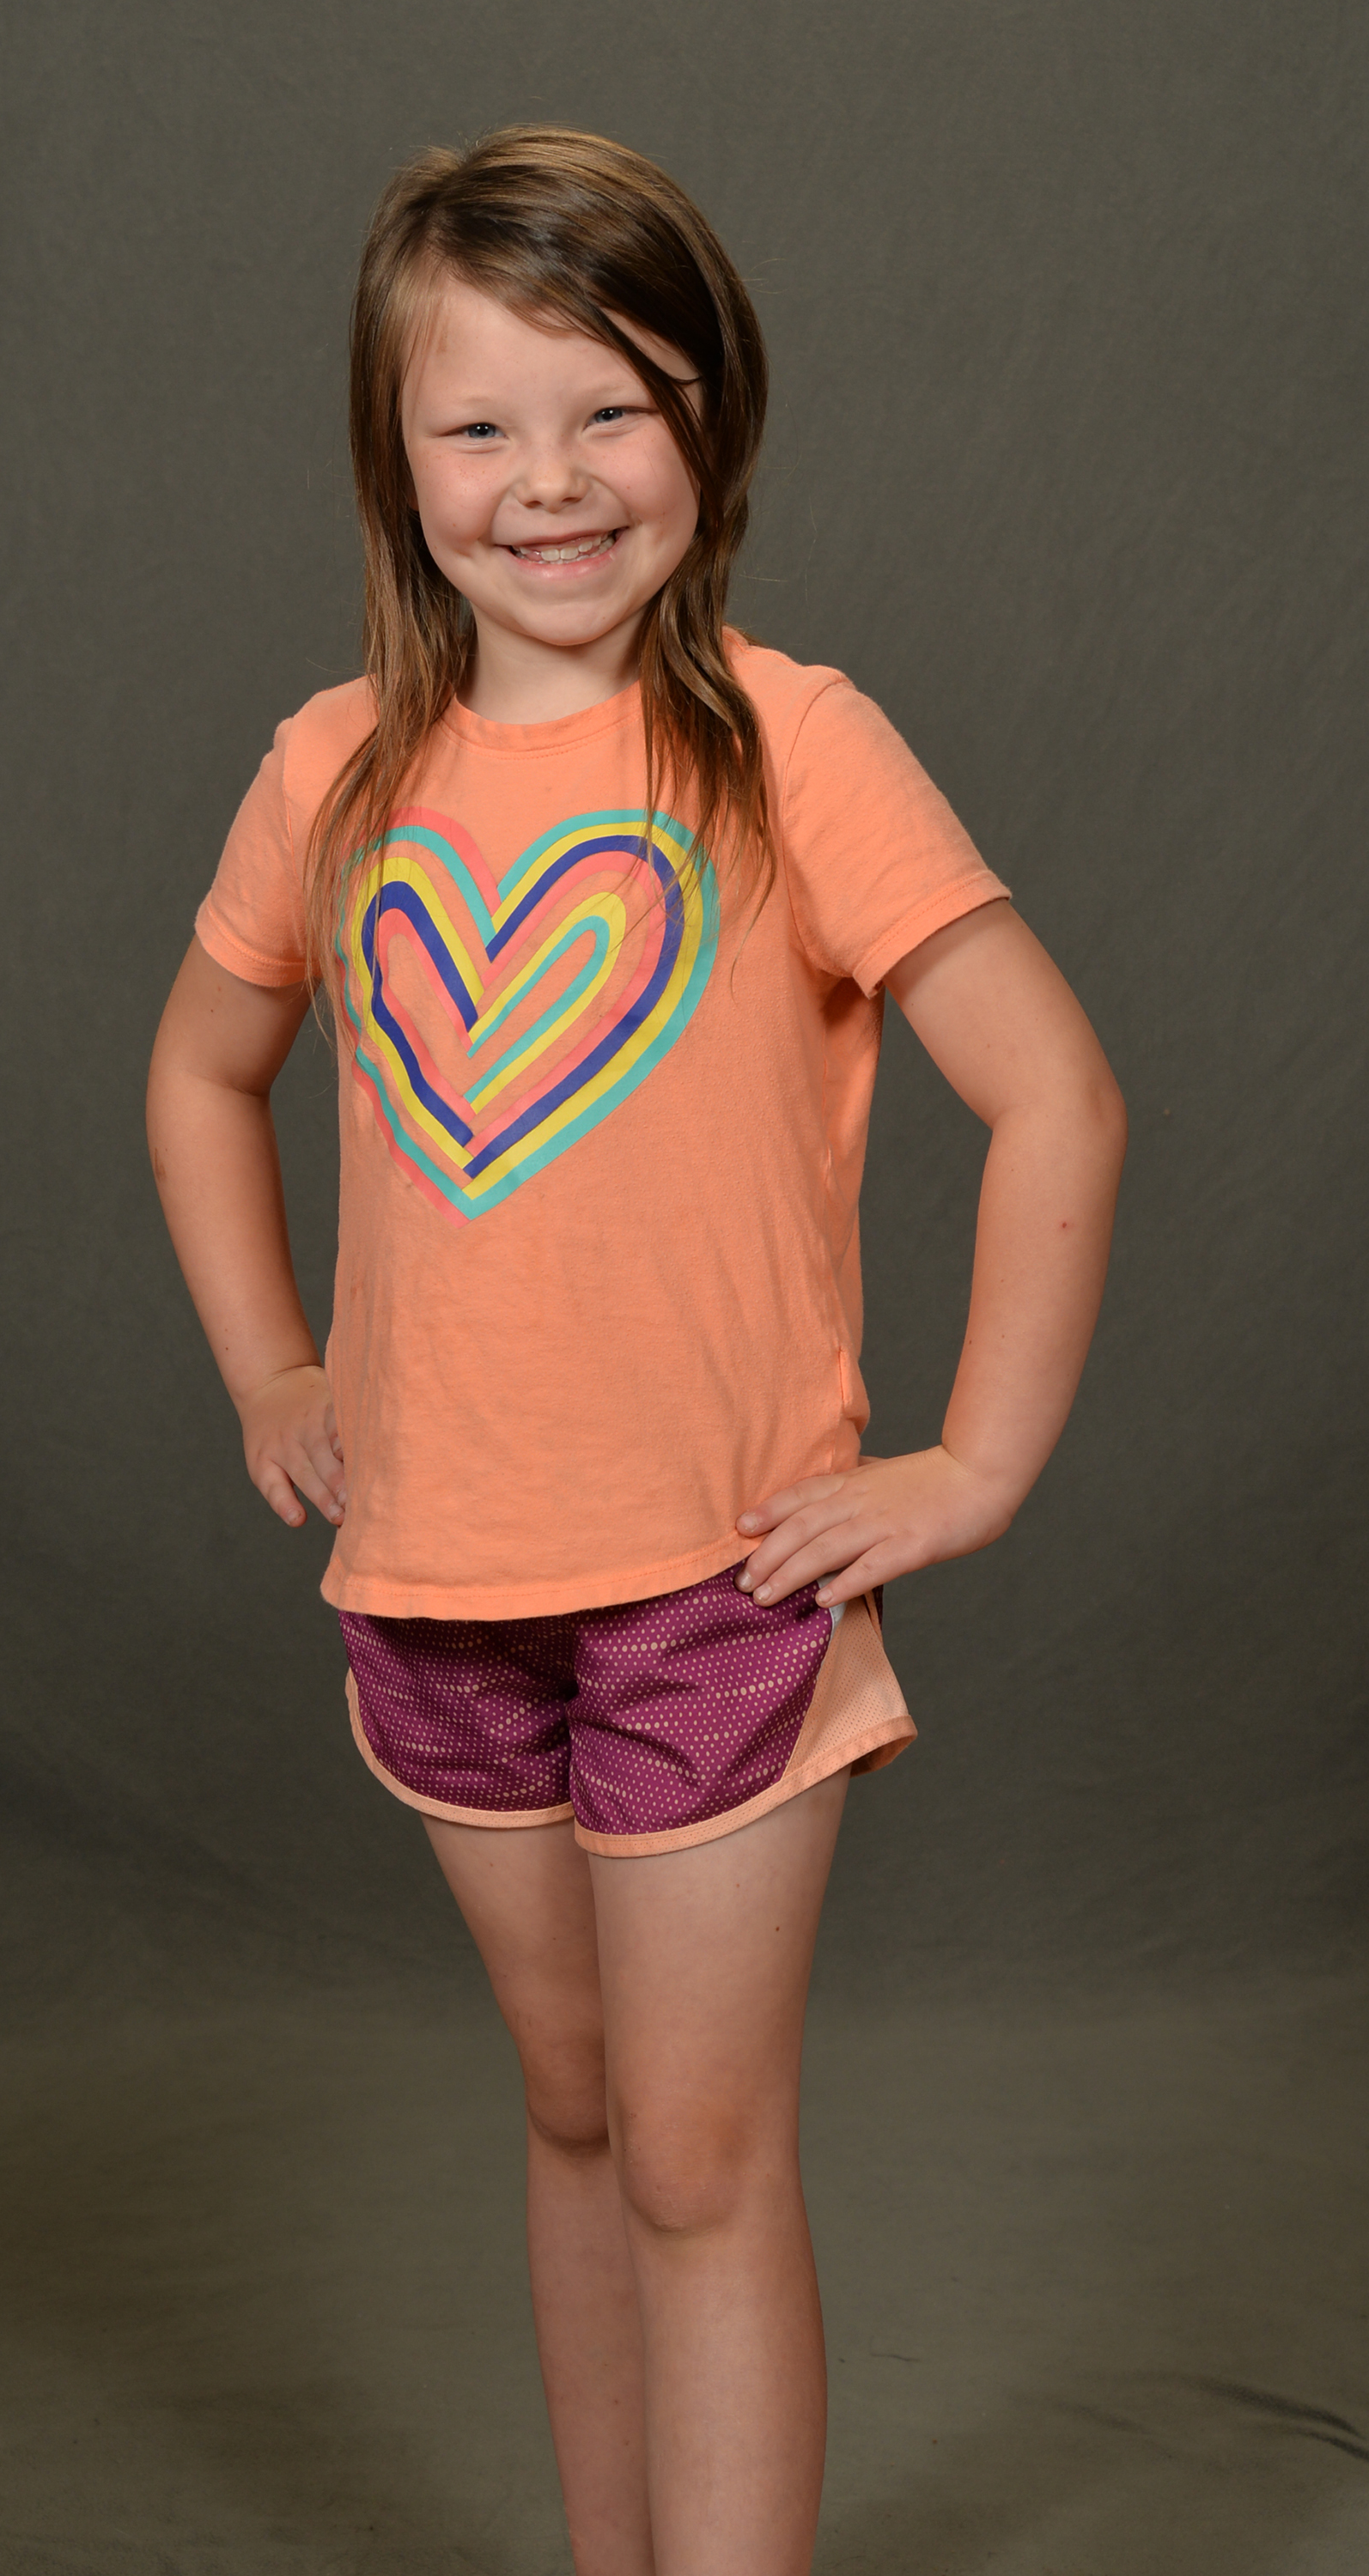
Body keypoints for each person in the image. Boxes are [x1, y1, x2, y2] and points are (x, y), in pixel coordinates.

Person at [146, 124, 1125, 2576]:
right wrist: (273, 1367)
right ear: (396, 464)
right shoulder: (335, 772)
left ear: (714, 420)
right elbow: (197, 1072)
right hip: (434, 1577)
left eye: (616, 409)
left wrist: (976, 1463)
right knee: (579, 2122)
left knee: (699, 2158)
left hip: (717, 1579)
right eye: (481, 424)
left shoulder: (795, 746)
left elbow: (1058, 1094)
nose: (553, 481)